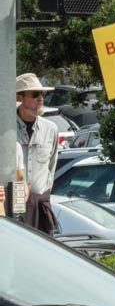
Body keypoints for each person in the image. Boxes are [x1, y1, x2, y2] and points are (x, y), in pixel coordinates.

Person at [15, 73, 59, 235]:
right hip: (13, 207)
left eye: (42, 94)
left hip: (40, 208)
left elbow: (51, 167)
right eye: (35, 94)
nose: (40, 98)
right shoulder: (5, 129)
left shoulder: (51, 129)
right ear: (19, 98)